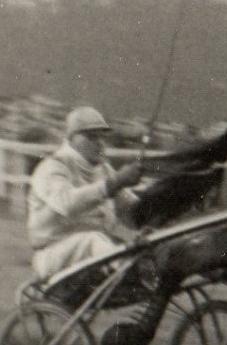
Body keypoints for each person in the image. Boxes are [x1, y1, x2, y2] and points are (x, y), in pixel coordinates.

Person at [26, 106, 144, 283]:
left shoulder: (103, 169)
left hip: (92, 252)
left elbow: (130, 207)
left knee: (131, 244)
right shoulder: (53, 167)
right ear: (71, 138)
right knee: (92, 240)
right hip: (51, 256)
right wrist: (115, 183)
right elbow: (67, 203)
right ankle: (130, 276)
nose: (100, 143)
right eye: (91, 137)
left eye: (102, 137)